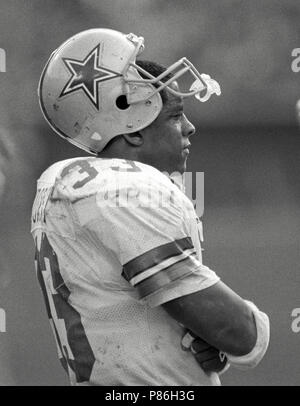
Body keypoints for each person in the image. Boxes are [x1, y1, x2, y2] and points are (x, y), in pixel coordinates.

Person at [31, 28, 270, 386]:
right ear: (132, 128)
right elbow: (242, 336)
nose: (189, 128)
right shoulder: (124, 189)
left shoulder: (66, 182)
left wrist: (202, 338)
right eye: (174, 116)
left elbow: (143, 312)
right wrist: (244, 327)